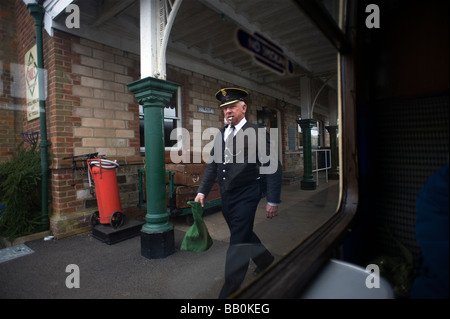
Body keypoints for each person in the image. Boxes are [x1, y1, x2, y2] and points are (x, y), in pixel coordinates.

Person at [194, 88, 282, 299]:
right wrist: (202, 191)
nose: (228, 111)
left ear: (244, 108)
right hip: (228, 196)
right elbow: (212, 165)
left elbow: (272, 166)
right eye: (224, 108)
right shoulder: (221, 133)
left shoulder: (258, 132)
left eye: (232, 106)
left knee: (238, 242)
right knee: (244, 234)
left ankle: (229, 293)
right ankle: (265, 260)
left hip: (247, 195)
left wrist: (272, 199)